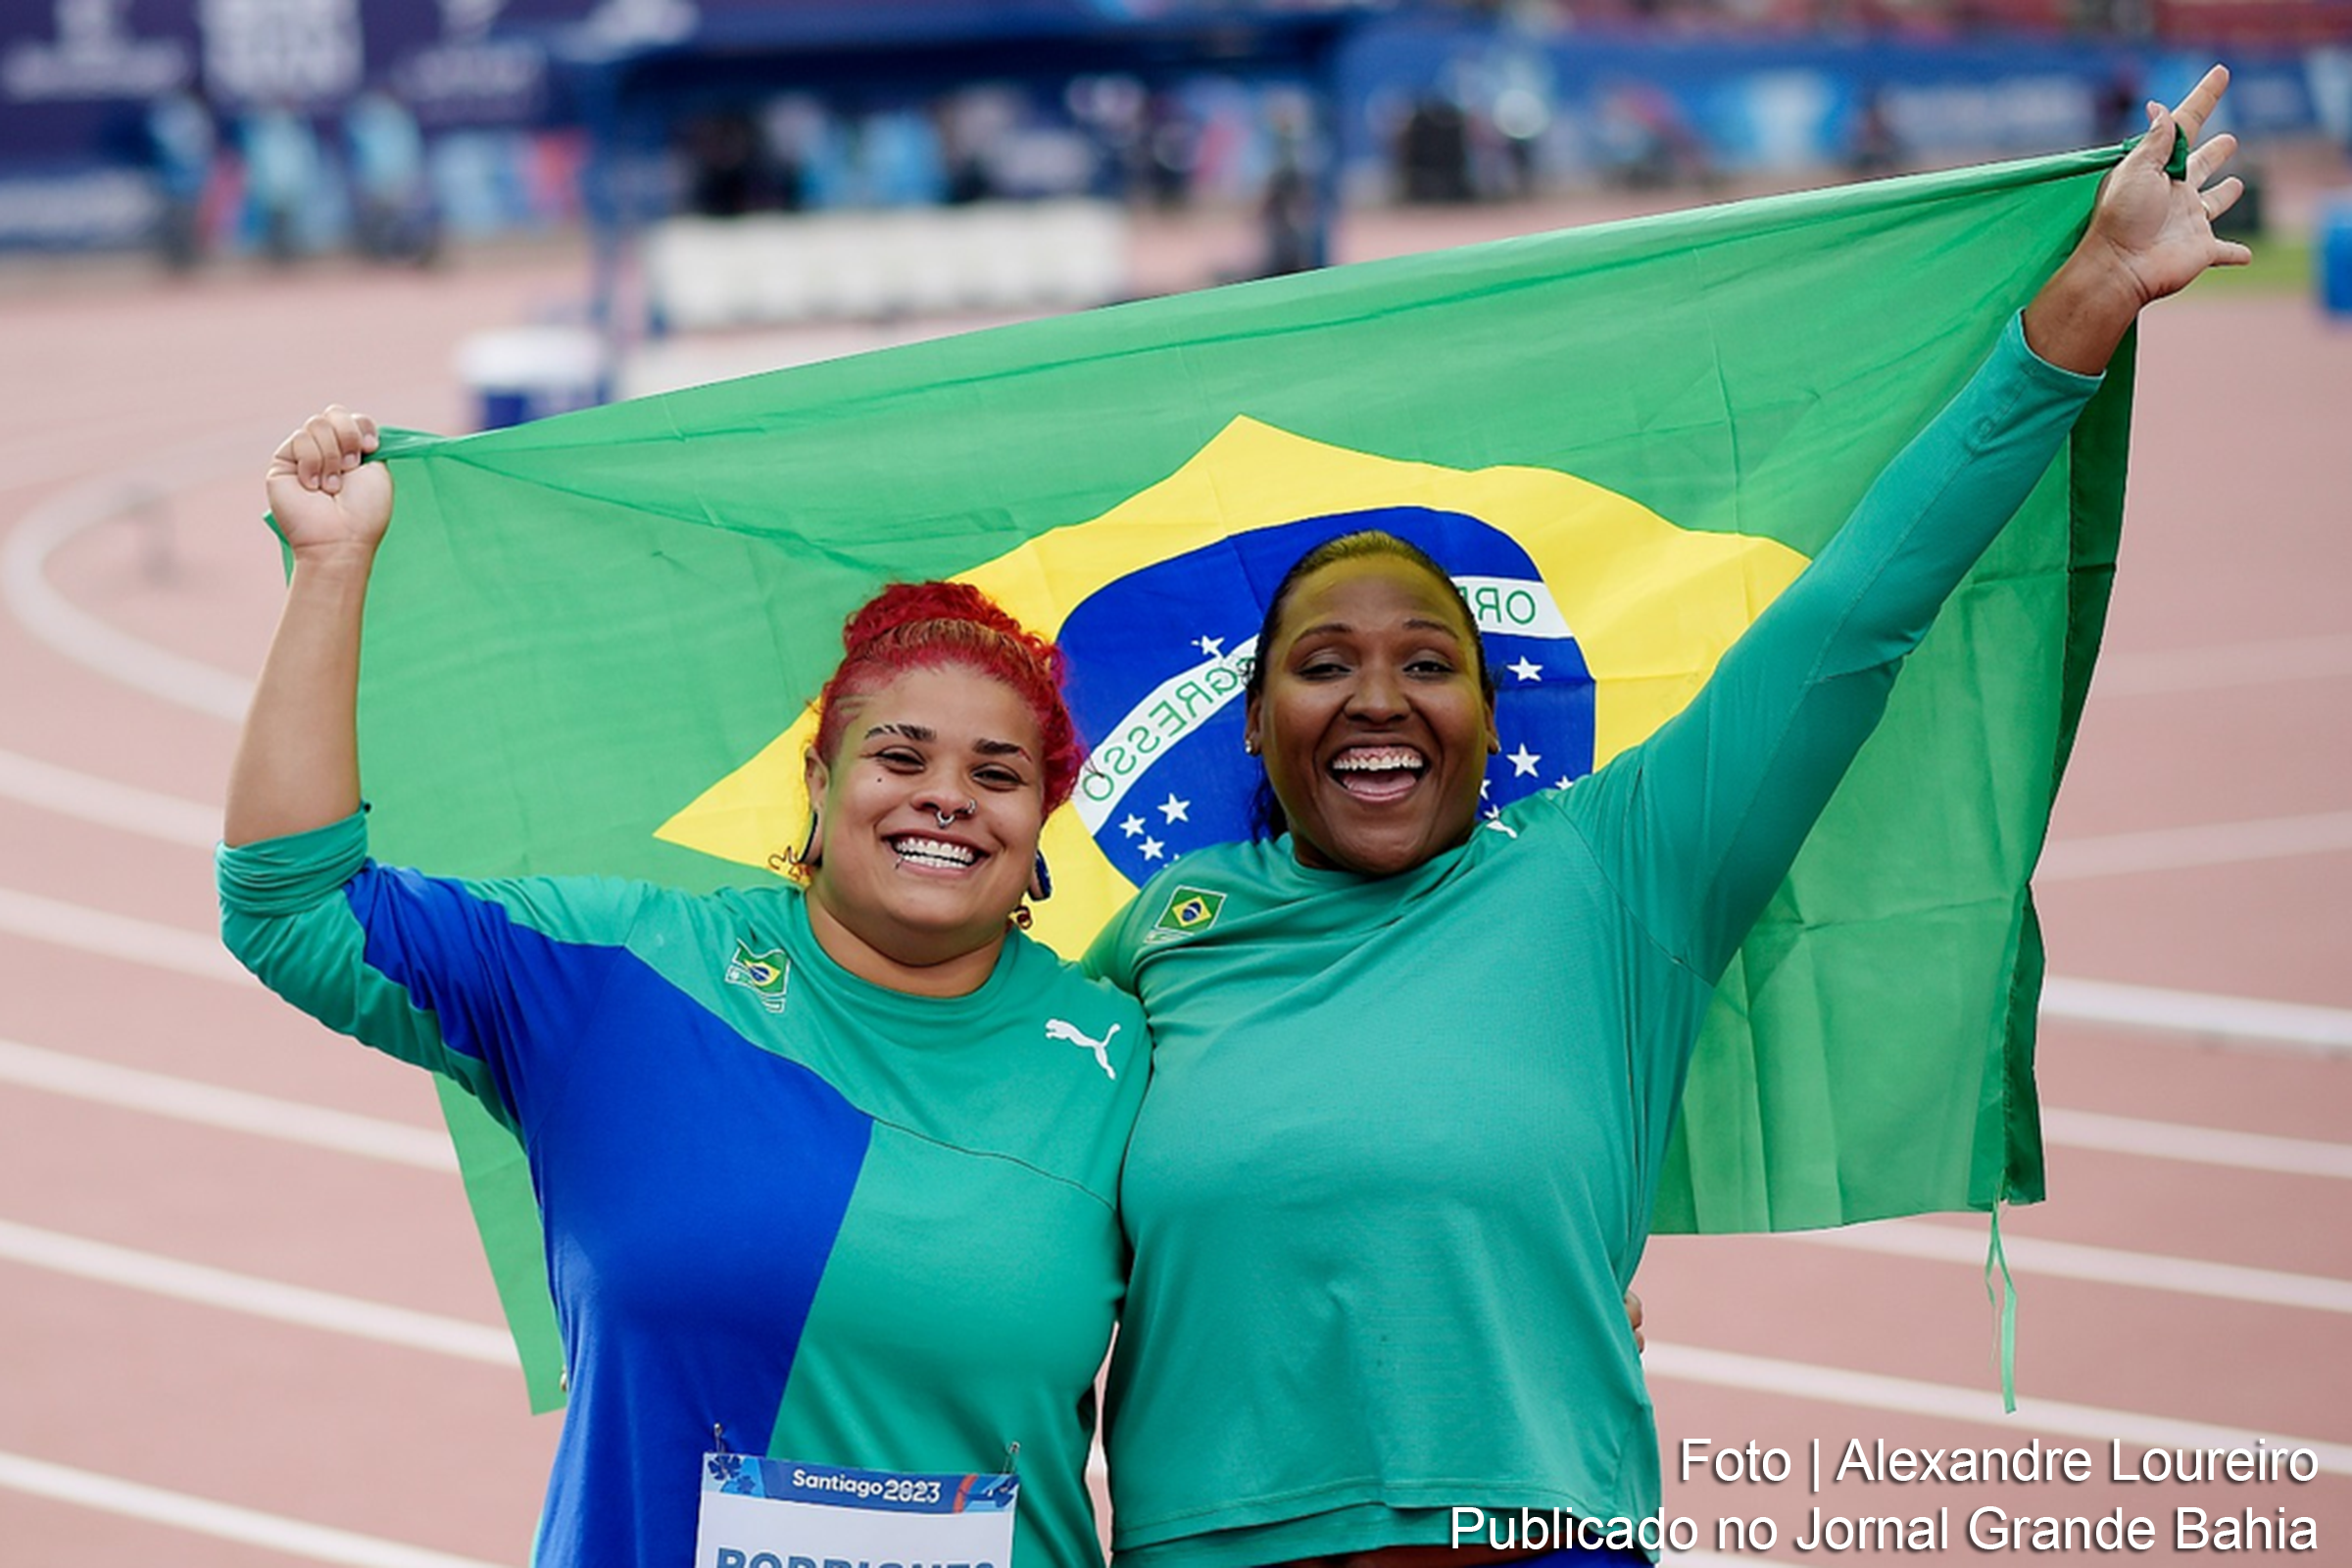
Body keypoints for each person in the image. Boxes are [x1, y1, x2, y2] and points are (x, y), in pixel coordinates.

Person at [1088, 69, 2250, 1568]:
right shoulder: (1157, 936)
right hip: (1209, 1543)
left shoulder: (1612, 869)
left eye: (1427, 664)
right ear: (1253, 727)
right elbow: (989, 1198)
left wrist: (2085, 299)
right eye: (1324, 666)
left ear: (1491, 727)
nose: (1377, 698)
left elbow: (1853, 621)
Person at [217, 408, 1147, 1568]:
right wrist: (333, 565)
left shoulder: (1121, 1057)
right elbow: (291, 910)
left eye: (996, 773)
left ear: (1040, 818)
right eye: (900, 757)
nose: (947, 796)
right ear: (819, 780)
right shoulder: (625, 975)